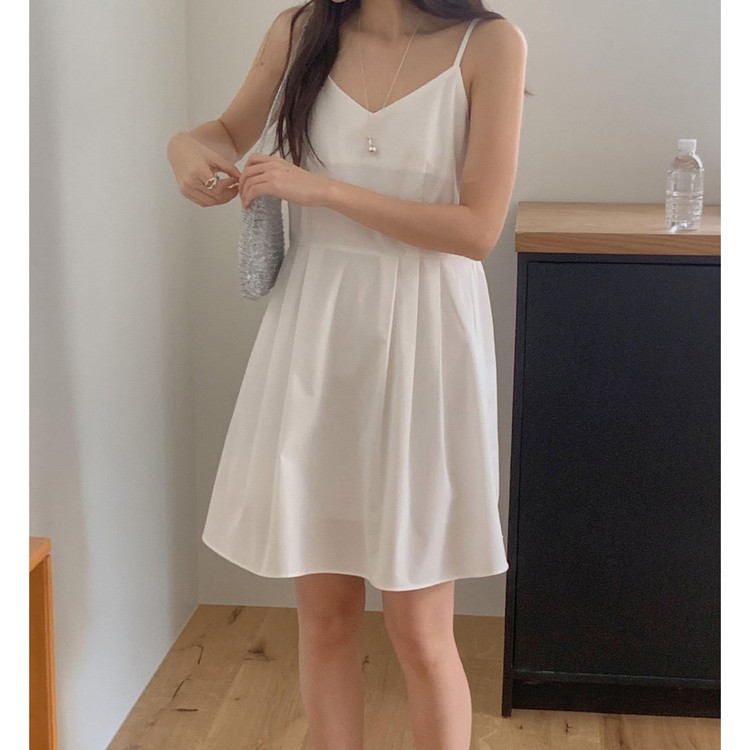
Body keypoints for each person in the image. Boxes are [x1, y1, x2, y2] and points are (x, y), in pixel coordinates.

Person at [167, 1, 527, 747]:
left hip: (428, 343)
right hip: (319, 335)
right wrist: (185, 148)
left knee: (419, 628)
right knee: (326, 616)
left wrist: (323, 190)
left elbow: (476, 229)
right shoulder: (301, 29)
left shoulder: (490, 44)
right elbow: (225, 131)